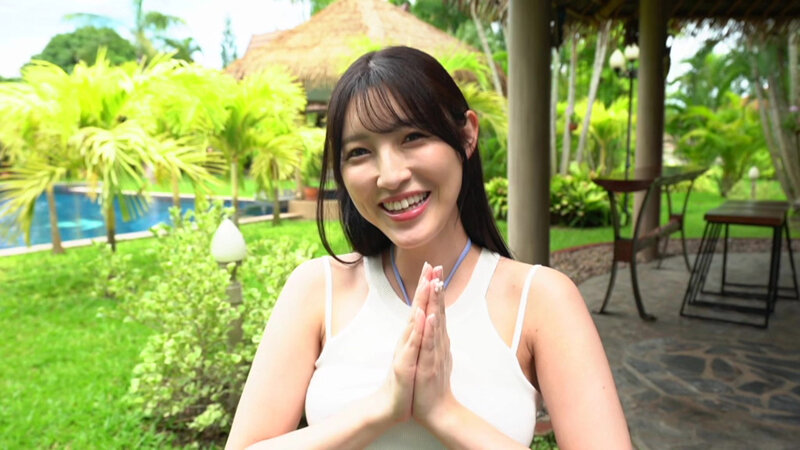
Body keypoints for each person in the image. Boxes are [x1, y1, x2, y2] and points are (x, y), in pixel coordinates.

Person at [226, 46, 630, 449]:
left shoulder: (540, 300)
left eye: (412, 137)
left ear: (466, 135)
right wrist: (383, 407)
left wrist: (443, 412)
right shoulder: (318, 289)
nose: (390, 176)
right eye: (360, 152)